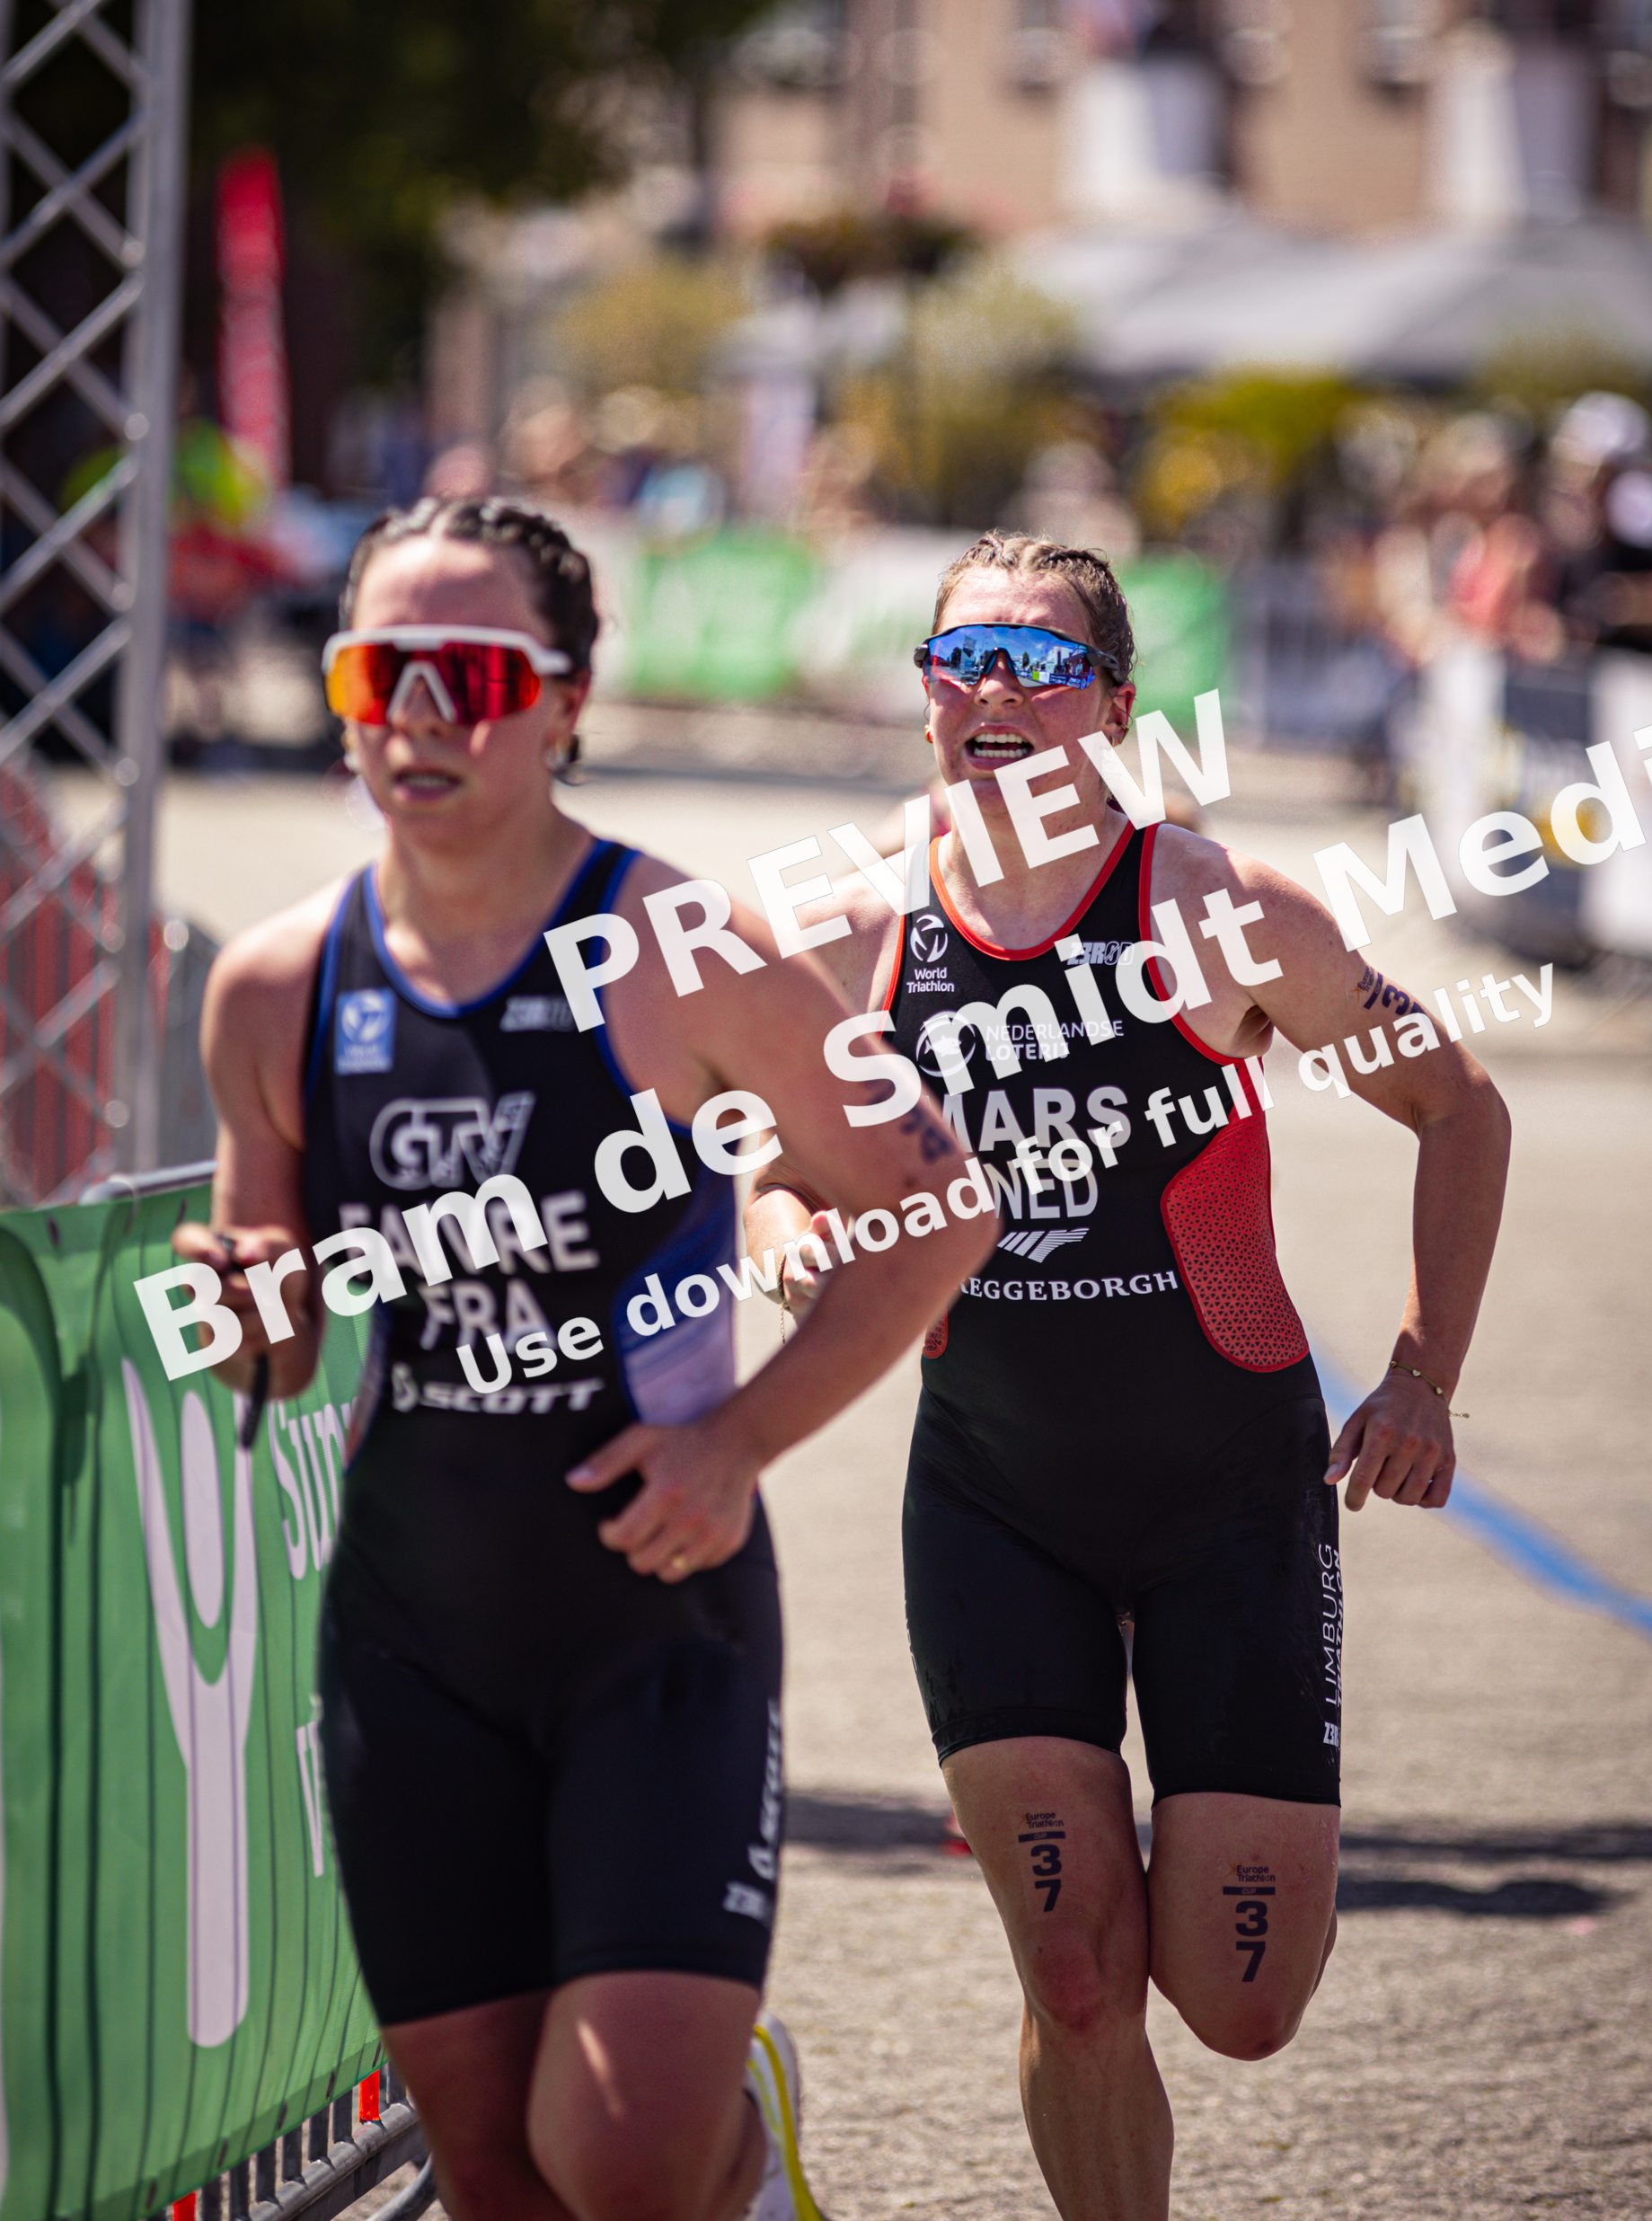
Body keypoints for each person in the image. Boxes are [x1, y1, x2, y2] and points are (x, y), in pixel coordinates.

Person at [171, 496, 994, 2221]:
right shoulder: (272, 989)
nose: (419, 715)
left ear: (562, 703)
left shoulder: (677, 952)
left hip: (654, 1621)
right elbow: (277, 1345)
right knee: (488, 2172)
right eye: (375, 671)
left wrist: (741, 1442)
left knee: (617, 2161)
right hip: (412, 1638)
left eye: (471, 674)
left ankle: (735, 2163)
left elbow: (936, 1209)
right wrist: (250, 1312)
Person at [746, 532, 1510, 2221]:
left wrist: (1420, 1376)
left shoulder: (1216, 913)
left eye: (1038, 665)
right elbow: (771, 1152)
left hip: (1229, 1496)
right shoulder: (857, 918)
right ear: (928, 694)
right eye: (962, 663)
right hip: (993, 1499)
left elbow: (1460, 1105)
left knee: (1237, 2005)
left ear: (1117, 703)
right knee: (1078, 1978)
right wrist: (787, 1218)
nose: (994, 697)